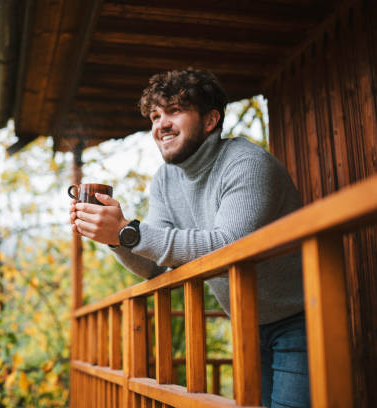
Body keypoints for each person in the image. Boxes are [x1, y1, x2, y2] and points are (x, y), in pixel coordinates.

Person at [69, 69, 309, 408]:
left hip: (302, 319)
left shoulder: (247, 163)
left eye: (175, 110)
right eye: (155, 115)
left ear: (211, 120)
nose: (160, 124)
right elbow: (153, 266)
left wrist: (129, 232)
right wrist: (115, 238)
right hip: (245, 322)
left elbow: (228, 246)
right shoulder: (166, 179)